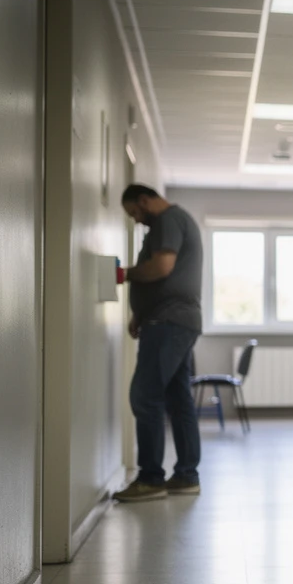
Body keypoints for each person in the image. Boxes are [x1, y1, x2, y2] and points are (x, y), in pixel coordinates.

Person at [112, 184, 206, 502]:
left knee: (145, 395)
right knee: (178, 400)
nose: (136, 220)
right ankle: (186, 475)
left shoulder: (168, 220)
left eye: (134, 212)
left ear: (144, 200)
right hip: (176, 320)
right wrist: (140, 312)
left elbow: (162, 267)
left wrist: (125, 274)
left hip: (168, 322)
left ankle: (151, 479)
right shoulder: (176, 221)